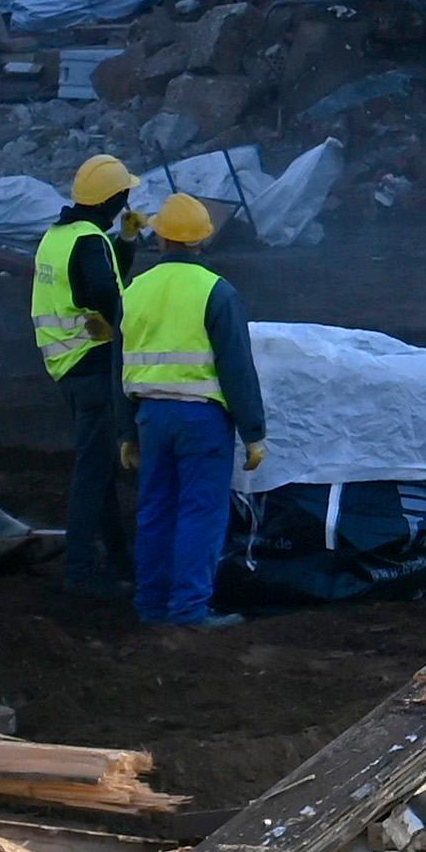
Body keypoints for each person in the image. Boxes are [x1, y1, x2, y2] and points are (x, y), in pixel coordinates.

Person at [112, 193, 266, 631]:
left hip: (150, 419)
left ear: (159, 238)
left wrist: (126, 431)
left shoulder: (135, 291)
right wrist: (254, 431)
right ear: (204, 240)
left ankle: (151, 606)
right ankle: (189, 611)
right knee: (200, 512)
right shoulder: (217, 292)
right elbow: (236, 366)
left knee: (156, 509)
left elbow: (117, 364)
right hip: (201, 420)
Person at [23, 156, 138, 605]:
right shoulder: (90, 242)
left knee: (101, 469)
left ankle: (117, 561)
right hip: (93, 368)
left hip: (67, 367)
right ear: (115, 199)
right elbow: (106, 292)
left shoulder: (58, 237)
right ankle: (80, 571)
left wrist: (125, 242)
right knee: (93, 472)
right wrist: (129, 329)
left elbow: (93, 281)